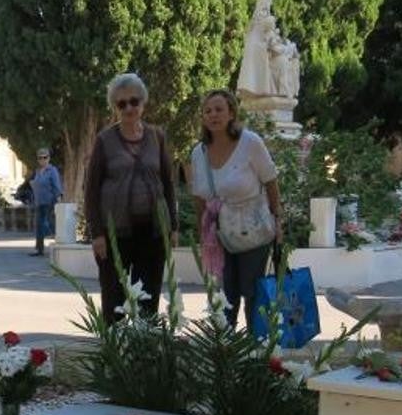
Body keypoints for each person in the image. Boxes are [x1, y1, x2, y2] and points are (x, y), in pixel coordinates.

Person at [84, 72, 179, 322]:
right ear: (114, 107)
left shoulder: (157, 136)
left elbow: (168, 183)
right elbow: (91, 190)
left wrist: (174, 227)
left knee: (148, 298)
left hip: (153, 231)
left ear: (143, 102)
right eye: (121, 103)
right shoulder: (105, 140)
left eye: (134, 101)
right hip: (115, 233)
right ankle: (115, 356)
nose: (128, 108)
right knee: (114, 300)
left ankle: (145, 355)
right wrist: (97, 234)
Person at [189, 89, 284, 328]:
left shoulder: (250, 142)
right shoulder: (198, 154)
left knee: (253, 293)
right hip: (219, 234)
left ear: (231, 113)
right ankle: (226, 353)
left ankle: (256, 353)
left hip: (254, 230)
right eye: (208, 111)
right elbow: (199, 197)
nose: (213, 115)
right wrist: (204, 234)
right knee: (225, 296)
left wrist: (279, 221)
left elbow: (270, 181)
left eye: (219, 109)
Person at [29, 148, 62, 256]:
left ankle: (60, 246)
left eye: (45, 157)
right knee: (39, 226)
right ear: (38, 159)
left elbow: (56, 186)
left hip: (49, 201)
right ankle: (39, 249)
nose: (43, 160)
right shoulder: (38, 171)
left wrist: (58, 198)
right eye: (40, 158)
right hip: (39, 202)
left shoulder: (52, 171)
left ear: (49, 158)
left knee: (50, 224)